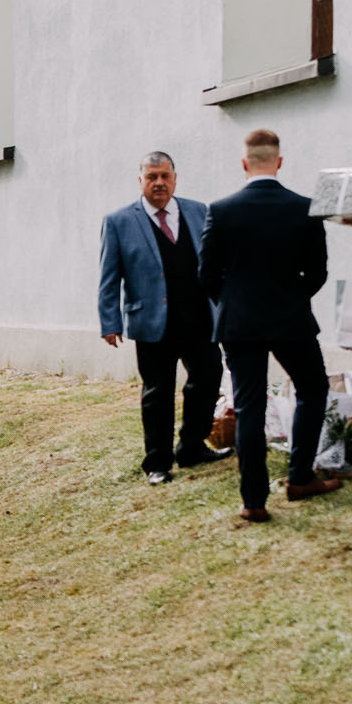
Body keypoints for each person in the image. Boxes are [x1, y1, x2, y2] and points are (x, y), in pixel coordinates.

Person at [198, 128, 341, 524]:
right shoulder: (305, 207)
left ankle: (254, 501)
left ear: (244, 163)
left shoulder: (221, 210)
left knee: (249, 407)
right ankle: (300, 476)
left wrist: (232, 302)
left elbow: (206, 274)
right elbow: (318, 272)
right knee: (313, 388)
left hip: (239, 322)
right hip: (291, 318)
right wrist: (292, 297)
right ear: (279, 162)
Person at [98, 150, 229, 484]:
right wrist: (110, 322)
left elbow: (216, 263)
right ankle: (157, 462)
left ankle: (192, 447)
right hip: (153, 322)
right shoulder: (118, 221)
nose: (159, 183)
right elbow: (109, 277)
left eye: (165, 176)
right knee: (158, 391)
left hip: (200, 317)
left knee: (208, 378)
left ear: (175, 179)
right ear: (140, 180)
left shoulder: (199, 211)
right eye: (152, 177)